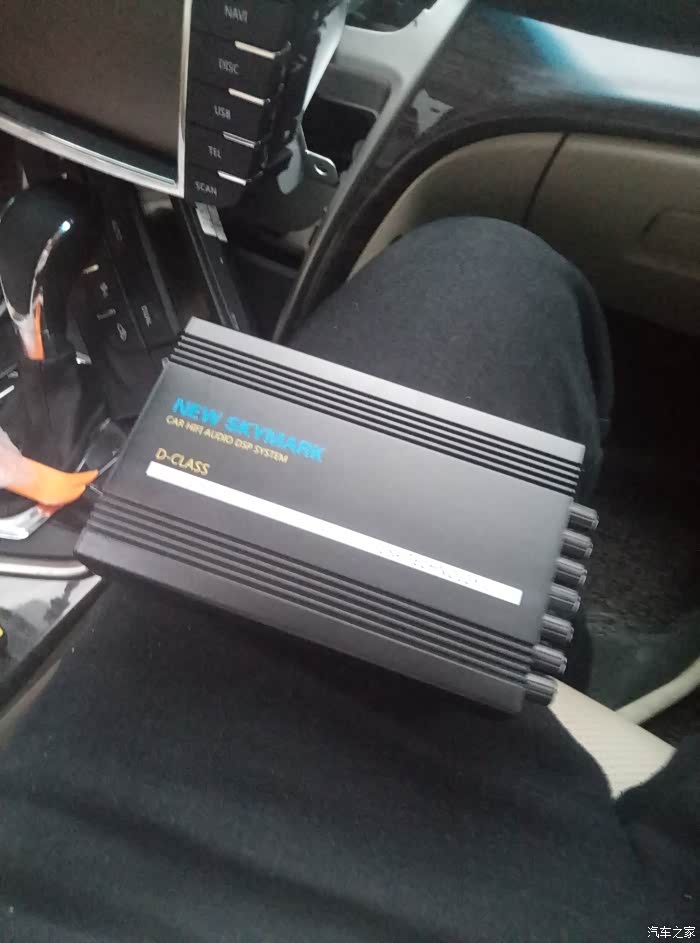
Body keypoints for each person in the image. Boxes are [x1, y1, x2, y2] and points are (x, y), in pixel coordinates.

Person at [0, 218, 697, 941]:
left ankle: (543, 655)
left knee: (480, 264)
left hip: (58, 832)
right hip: (453, 879)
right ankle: (553, 663)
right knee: (485, 270)